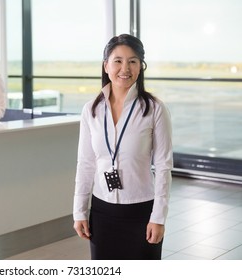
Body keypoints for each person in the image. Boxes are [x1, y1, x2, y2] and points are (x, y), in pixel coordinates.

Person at [73, 34, 173, 260]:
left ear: (141, 67)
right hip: (101, 212)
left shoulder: (154, 109)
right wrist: (79, 211)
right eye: (117, 60)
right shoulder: (91, 110)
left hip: (141, 212)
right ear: (106, 65)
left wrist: (158, 217)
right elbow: (86, 164)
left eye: (133, 61)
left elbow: (164, 166)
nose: (124, 68)